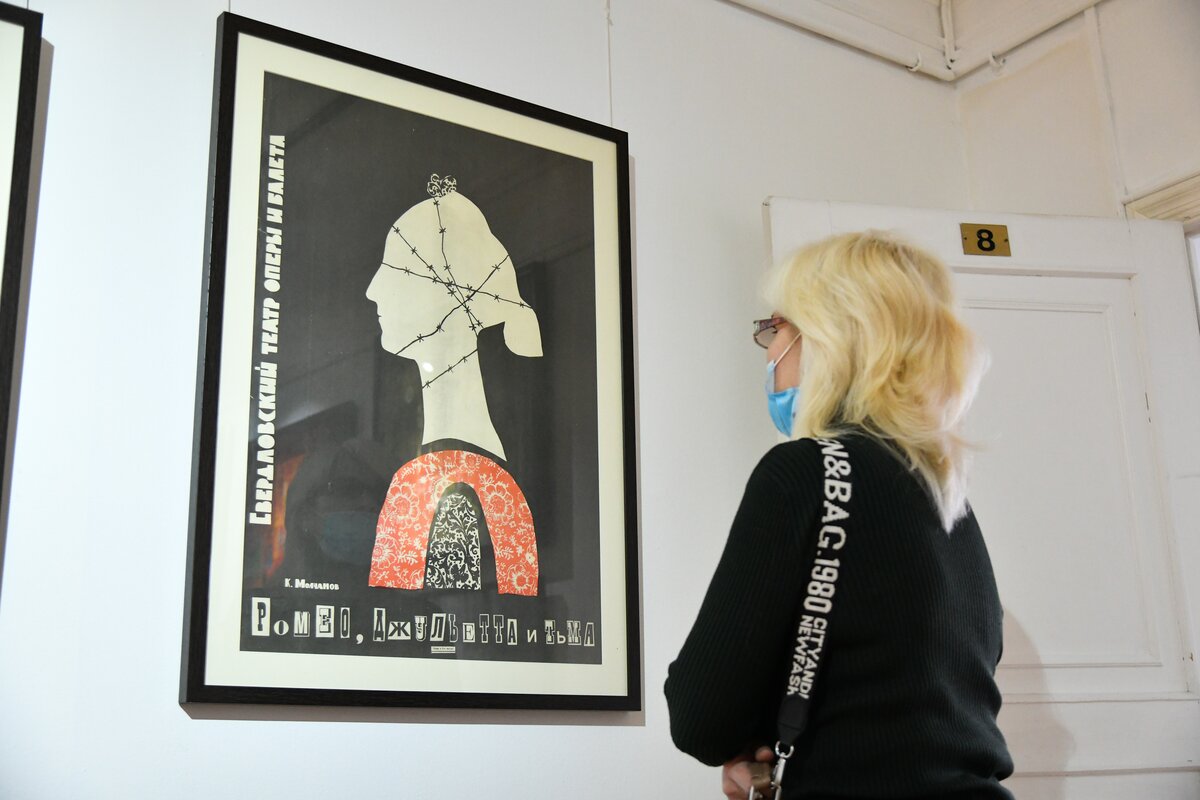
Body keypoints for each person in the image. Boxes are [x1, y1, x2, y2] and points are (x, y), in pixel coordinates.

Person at [664, 231, 1014, 799]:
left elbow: (702, 718)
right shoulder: (950, 502)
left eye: (775, 328)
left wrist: (751, 744)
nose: (769, 351)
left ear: (826, 338)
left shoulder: (804, 474)